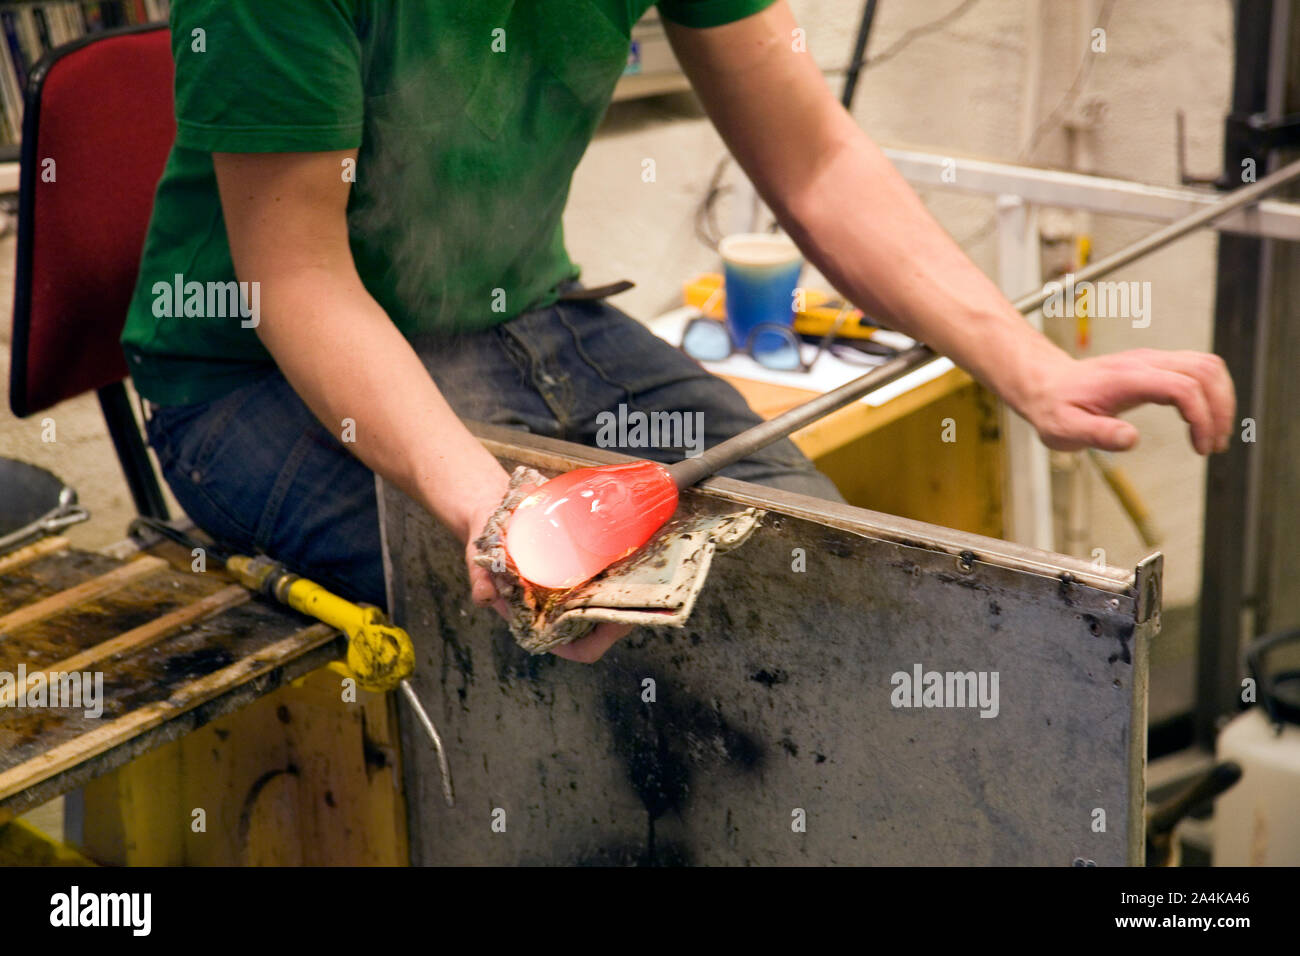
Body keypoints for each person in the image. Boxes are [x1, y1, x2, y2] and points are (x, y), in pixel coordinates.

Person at [122, 0, 1235, 664]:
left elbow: (815, 158)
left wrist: (1026, 364)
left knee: (815, 568)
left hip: (520, 313)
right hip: (249, 376)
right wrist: (492, 507)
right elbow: (298, 282)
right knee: (585, 639)